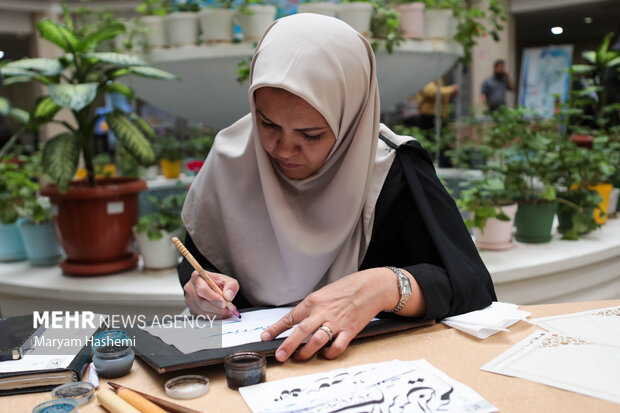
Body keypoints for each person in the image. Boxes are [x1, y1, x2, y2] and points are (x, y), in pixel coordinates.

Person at [178, 14, 496, 362]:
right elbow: (201, 261)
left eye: (310, 134)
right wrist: (203, 288)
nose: (283, 149)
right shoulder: (232, 158)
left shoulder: (393, 169)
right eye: (267, 123)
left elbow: (470, 286)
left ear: (351, 120)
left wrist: (385, 286)